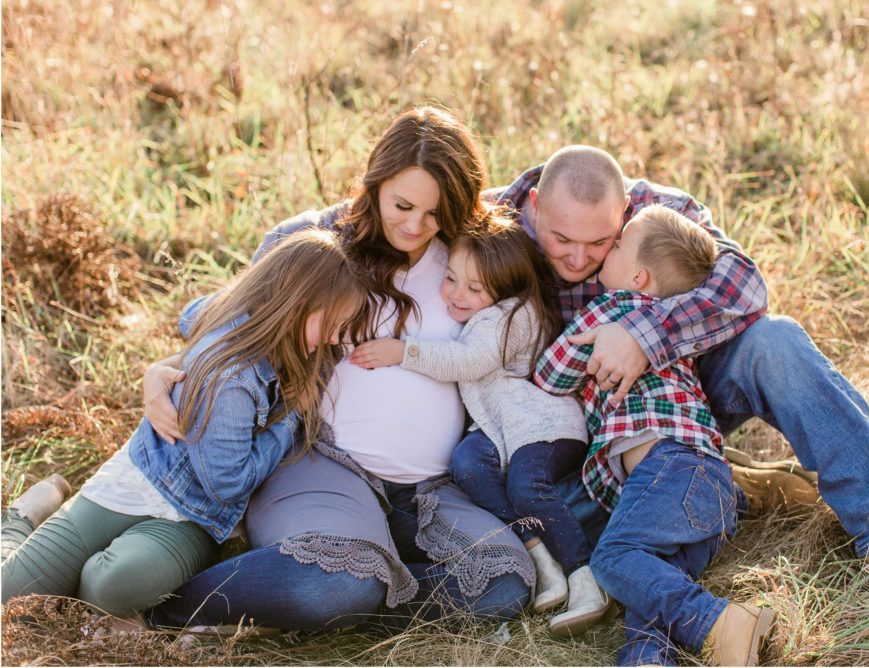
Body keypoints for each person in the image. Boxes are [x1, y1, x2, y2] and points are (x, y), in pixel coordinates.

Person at [488, 145, 869, 614]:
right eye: (561, 240)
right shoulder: (492, 227)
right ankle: (733, 489)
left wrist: (643, 335)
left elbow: (743, 283)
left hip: (680, 394)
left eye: (599, 242)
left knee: (773, 343)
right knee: (545, 521)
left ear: (623, 211)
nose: (578, 259)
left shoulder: (655, 210)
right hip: (587, 440)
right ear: (535, 206)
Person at [141, 106, 535, 632]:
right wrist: (163, 369)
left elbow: (568, 200)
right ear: (375, 181)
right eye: (402, 205)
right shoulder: (322, 247)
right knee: (332, 582)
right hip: (322, 463)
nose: (416, 226)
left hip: (431, 487)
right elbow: (230, 329)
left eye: (436, 214)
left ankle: (353, 595)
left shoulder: (471, 259)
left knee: (503, 583)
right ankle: (172, 608)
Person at [1, 228, 370, 623]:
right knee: (9, 596)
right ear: (293, 304)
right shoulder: (232, 379)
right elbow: (229, 484)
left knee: (107, 587)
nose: (335, 338)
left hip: (193, 515)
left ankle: (92, 560)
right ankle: (22, 518)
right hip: (140, 477)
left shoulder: (280, 336)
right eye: (330, 323)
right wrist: (293, 416)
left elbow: (190, 312)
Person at [535, 204, 774, 666]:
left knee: (614, 559)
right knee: (652, 581)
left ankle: (720, 623)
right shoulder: (674, 325)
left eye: (618, 244)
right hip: (707, 480)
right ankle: (647, 659)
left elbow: (550, 375)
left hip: (671, 469)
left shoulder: (612, 309)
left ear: (638, 277)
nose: (612, 247)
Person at [348, 214, 610, 636]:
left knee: (528, 486)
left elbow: (471, 360)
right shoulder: (485, 312)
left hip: (543, 427)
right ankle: (538, 554)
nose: (456, 294)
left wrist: (403, 351)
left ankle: (583, 577)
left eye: (474, 288)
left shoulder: (513, 313)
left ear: (504, 289)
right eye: (451, 278)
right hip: (500, 430)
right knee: (467, 464)